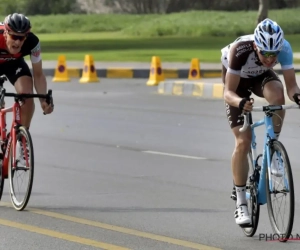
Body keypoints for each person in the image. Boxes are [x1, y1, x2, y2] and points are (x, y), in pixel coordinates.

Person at [220, 18, 300, 226]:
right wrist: (240, 101)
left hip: (259, 78)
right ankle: (241, 203)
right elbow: (228, 92)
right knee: (243, 140)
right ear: (256, 46)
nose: (270, 59)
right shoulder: (240, 50)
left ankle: (273, 151)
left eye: (274, 55)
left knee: (278, 95)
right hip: (236, 84)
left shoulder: (284, 48)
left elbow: (292, 87)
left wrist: (298, 96)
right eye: (265, 53)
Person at [0, 13, 53, 164]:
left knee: (27, 96)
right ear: (5, 33)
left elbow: (38, 74)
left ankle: (20, 139)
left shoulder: (33, 42)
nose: (17, 41)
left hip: (14, 65)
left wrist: (43, 99)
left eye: (21, 38)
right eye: (14, 37)